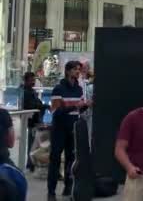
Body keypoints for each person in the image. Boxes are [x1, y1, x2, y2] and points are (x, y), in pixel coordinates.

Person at [48, 61, 86, 200]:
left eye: (79, 70)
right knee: (55, 159)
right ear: (68, 71)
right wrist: (76, 106)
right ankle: (51, 191)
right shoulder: (58, 89)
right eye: (75, 69)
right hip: (59, 129)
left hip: (73, 129)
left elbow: (79, 109)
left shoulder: (79, 89)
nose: (78, 72)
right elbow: (56, 111)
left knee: (71, 159)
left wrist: (85, 105)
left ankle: (68, 187)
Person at [20, 72, 46, 172]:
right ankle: (30, 163)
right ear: (26, 81)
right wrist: (42, 106)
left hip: (34, 120)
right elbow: (31, 105)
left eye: (33, 80)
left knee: (34, 142)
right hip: (31, 120)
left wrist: (41, 106)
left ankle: (31, 163)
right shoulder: (26, 92)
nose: (33, 82)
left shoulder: (31, 91)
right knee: (32, 142)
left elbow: (37, 103)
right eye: (31, 80)